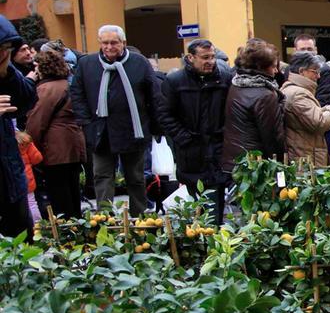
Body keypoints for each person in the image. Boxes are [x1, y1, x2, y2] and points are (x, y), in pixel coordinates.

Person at [70, 24, 161, 216]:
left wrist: (156, 127)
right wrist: (86, 123)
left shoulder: (139, 62)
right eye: (105, 43)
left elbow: (154, 96)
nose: (109, 47)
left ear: (124, 43)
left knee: (135, 178)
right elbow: (77, 95)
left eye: (114, 43)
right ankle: (105, 218)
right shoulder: (87, 64)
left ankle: (140, 217)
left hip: (133, 131)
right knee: (102, 177)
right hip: (100, 132)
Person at [156, 39, 233, 222]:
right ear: (190, 58)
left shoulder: (224, 78)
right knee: (195, 207)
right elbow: (165, 115)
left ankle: (214, 238)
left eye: (212, 57)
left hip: (216, 149)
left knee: (215, 205)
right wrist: (183, 138)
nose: (210, 61)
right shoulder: (175, 81)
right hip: (191, 152)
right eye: (205, 57)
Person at [25, 48, 84, 219]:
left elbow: (37, 122)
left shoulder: (45, 89)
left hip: (55, 149)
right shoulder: (68, 84)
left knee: (60, 195)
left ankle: (66, 234)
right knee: (73, 192)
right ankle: (77, 229)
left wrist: (31, 148)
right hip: (73, 145)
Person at [223, 38, 286, 171]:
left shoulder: (236, 85)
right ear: (260, 67)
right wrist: (280, 165)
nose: (276, 71)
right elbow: (273, 137)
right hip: (255, 166)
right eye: (273, 66)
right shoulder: (264, 94)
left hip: (236, 160)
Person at [0, 18, 36, 236]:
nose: (3, 54)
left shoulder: (6, 69)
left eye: (5, 49)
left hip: (10, 177)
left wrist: (7, 73)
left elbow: (26, 101)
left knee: (22, 246)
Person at [281, 52, 330, 167]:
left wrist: (327, 109)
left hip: (304, 152)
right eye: (315, 72)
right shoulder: (298, 94)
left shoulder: (292, 89)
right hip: (305, 156)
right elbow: (318, 122)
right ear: (302, 71)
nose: (318, 76)